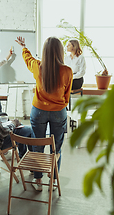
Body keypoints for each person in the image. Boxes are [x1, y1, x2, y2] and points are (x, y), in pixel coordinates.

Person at [16, 36, 73, 191]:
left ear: (44, 52)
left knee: (38, 145)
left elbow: (28, 59)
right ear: (60, 52)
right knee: (57, 147)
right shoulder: (67, 71)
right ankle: (53, 181)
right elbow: (67, 96)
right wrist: (60, 106)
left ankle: (38, 180)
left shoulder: (37, 66)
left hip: (39, 111)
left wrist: (23, 47)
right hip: (59, 112)